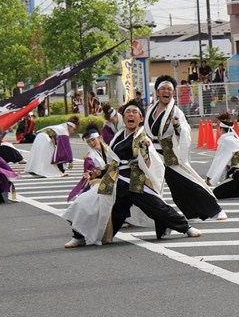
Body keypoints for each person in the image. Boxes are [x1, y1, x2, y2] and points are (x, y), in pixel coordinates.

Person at [62, 99, 201, 247]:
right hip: (114, 179)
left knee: (157, 207)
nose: (131, 114)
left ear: (141, 118)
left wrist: (145, 151)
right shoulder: (118, 137)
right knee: (90, 203)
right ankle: (80, 236)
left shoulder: (143, 138)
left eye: (135, 112)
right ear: (124, 118)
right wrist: (99, 172)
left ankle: (186, 227)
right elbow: (112, 160)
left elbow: (150, 164)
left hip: (135, 180)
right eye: (128, 112)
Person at [144, 75, 226, 221]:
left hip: (169, 153)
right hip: (152, 154)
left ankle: (215, 209)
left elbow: (185, 133)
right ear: (157, 92)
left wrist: (177, 126)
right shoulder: (150, 109)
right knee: (157, 187)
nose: (166, 91)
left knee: (186, 182)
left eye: (169, 89)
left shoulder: (176, 112)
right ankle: (188, 214)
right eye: (163, 88)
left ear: (173, 92)